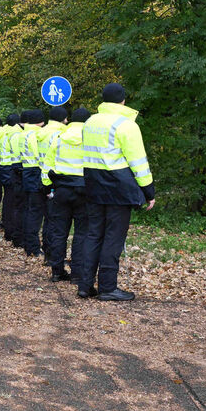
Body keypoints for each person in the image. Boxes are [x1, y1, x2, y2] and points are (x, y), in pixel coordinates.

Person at [79, 83, 154, 301]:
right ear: (123, 100)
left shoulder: (90, 122)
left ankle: (85, 286)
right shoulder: (126, 125)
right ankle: (107, 287)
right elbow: (138, 162)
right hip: (117, 189)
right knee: (113, 238)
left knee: (93, 234)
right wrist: (148, 191)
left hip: (93, 184)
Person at [42, 107, 91, 282]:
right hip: (84, 191)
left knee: (59, 231)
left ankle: (57, 271)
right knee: (82, 233)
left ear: (71, 121)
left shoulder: (59, 139)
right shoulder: (91, 140)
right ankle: (77, 274)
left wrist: (48, 187)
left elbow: (47, 166)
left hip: (62, 190)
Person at [37, 107, 69, 258]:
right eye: (66, 118)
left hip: (41, 175)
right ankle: (51, 254)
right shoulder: (60, 134)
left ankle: (46, 248)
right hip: (54, 178)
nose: (67, 121)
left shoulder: (40, 132)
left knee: (46, 217)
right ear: (62, 119)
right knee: (54, 219)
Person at [19, 109, 46, 258]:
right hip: (35, 172)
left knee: (29, 210)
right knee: (35, 212)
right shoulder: (36, 134)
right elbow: (38, 155)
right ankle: (34, 247)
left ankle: (28, 244)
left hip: (26, 171)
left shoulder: (23, 133)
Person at [0, 113, 23, 243]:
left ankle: (8, 228)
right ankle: (12, 231)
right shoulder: (17, 134)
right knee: (14, 201)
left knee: (8, 199)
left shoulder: (3, 132)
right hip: (12, 168)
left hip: (4, 167)